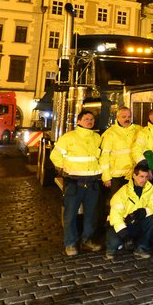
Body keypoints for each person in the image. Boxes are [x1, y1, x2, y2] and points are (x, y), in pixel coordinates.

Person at [50, 109, 103, 256]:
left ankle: (87, 241)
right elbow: (55, 155)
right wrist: (65, 169)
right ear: (78, 121)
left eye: (92, 119)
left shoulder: (97, 138)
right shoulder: (68, 137)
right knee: (70, 214)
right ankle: (70, 244)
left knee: (91, 215)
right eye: (86, 119)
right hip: (74, 182)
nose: (90, 121)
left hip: (92, 182)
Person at [106, 161, 153, 259]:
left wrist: (143, 212)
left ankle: (141, 247)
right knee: (112, 247)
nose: (144, 180)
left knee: (152, 219)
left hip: (137, 222)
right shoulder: (122, 193)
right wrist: (125, 235)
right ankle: (118, 245)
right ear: (134, 176)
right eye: (141, 177)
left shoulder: (150, 190)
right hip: (123, 224)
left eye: (146, 177)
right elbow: (115, 217)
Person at [99, 106, 139, 229]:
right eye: (123, 117)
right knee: (116, 204)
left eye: (128, 116)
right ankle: (114, 229)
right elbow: (104, 157)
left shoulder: (138, 130)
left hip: (133, 175)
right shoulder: (110, 134)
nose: (127, 119)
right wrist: (106, 177)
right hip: (117, 177)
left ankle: (131, 228)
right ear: (117, 117)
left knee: (133, 203)